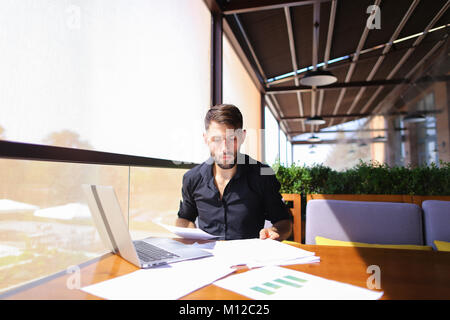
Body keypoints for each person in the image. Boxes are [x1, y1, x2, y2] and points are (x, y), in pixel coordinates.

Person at [175, 104, 292, 241]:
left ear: (242, 137)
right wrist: (193, 237)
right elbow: (184, 218)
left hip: (250, 259)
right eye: (216, 139)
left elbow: (284, 222)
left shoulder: (263, 175)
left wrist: (274, 231)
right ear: (206, 139)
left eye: (232, 139)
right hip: (207, 258)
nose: (225, 148)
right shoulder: (192, 178)